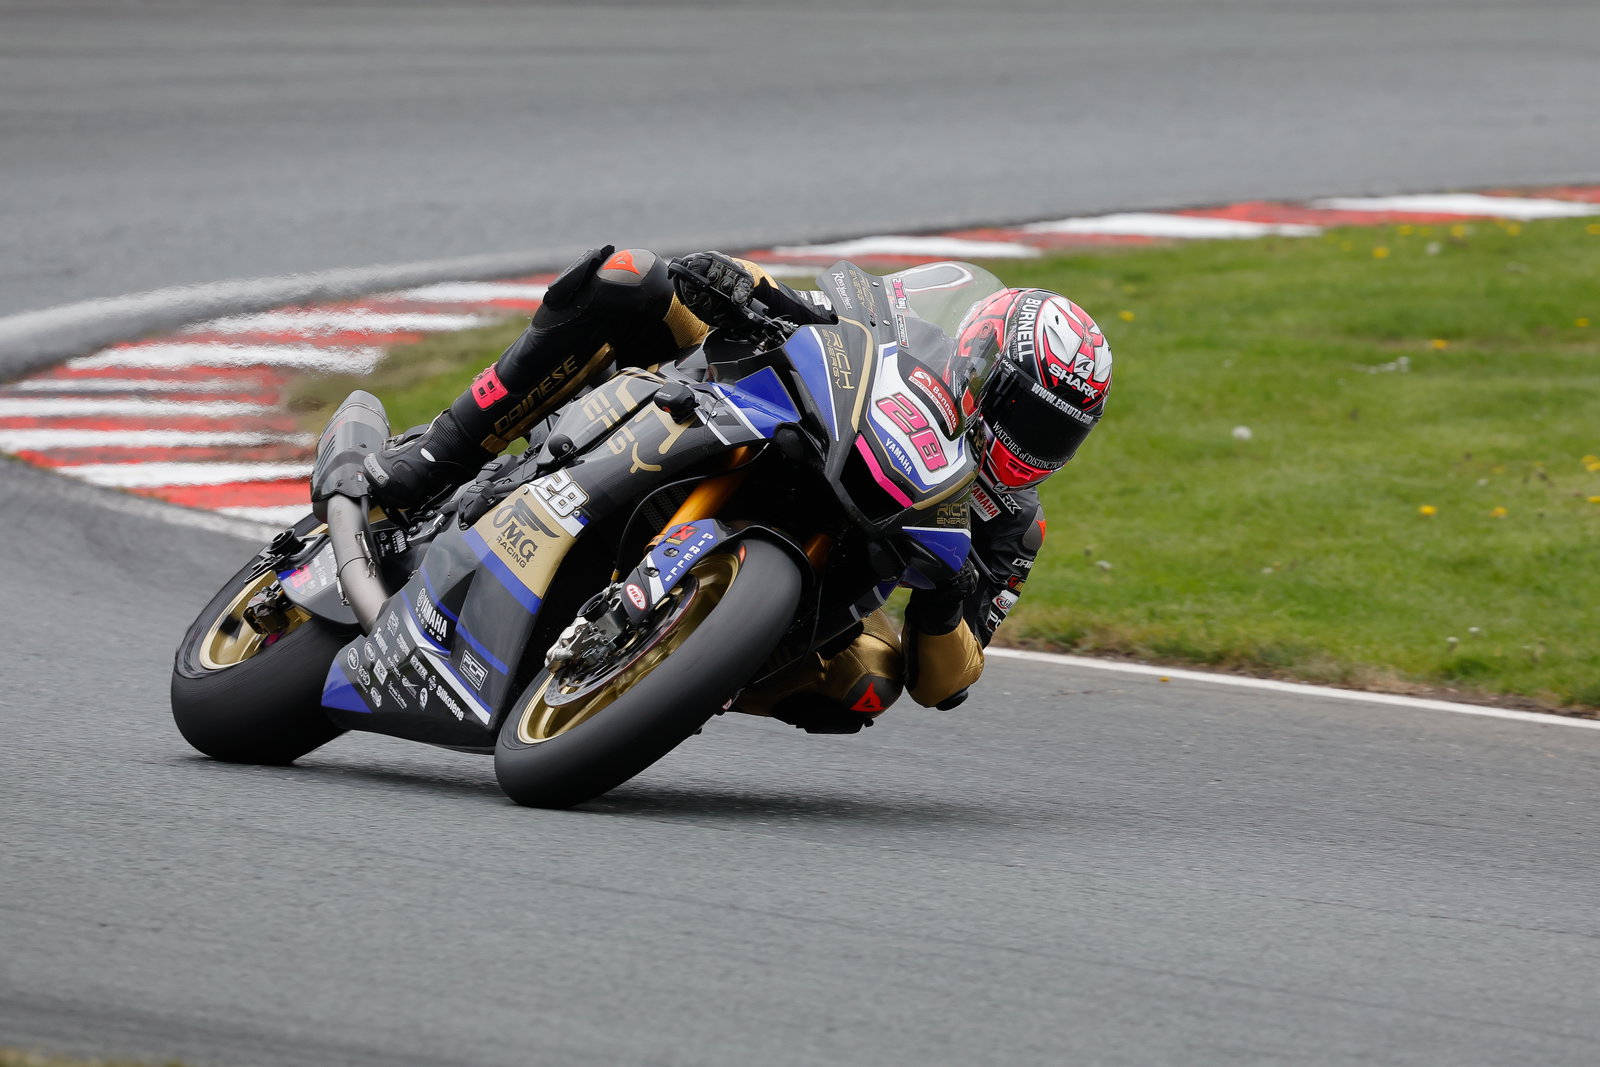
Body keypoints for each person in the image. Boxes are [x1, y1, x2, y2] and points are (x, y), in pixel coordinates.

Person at [365, 246, 1112, 732]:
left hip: (830, 578)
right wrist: (739, 283)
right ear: (979, 362)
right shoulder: (914, 335)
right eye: (1024, 415)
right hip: (753, 416)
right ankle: (435, 456)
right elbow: (814, 304)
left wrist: (948, 595)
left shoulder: (1010, 525)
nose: (1031, 445)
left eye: (1056, 435)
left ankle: (681, 675)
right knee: (632, 277)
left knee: (870, 679)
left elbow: (946, 682)